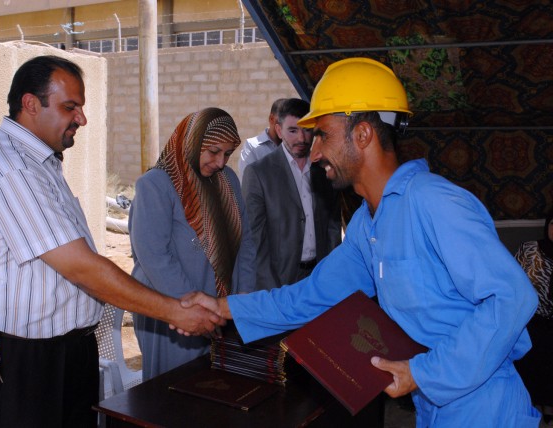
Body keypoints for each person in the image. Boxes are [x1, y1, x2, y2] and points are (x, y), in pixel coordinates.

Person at [180, 57, 541, 427]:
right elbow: (310, 297)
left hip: (485, 405)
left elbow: (512, 296)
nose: (314, 150)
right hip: (435, 406)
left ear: (363, 134)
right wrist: (223, 308)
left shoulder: (433, 202)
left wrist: (426, 372)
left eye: (323, 134)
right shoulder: (367, 224)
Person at [0, 55, 223, 428]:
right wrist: (175, 311)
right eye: (70, 107)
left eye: (80, 107)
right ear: (31, 104)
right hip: (25, 361)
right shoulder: (11, 170)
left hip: (71, 350)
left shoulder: (41, 162)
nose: (81, 119)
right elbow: (82, 266)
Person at [128, 107, 257, 380]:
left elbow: (245, 244)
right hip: (171, 311)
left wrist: (240, 302)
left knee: (215, 390)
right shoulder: (156, 185)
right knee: (172, 389)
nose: (221, 162)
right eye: (213, 151)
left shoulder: (228, 182)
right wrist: (197, 311)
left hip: (222, 309)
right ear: (191, 142)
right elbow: (155, 258)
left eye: (227, 154)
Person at [242, 98, 341, 290]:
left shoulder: (326, 171)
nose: (302, 139)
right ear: (279, 130)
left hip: (319, 277)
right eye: (293, 131)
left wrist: (330, 275)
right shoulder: (258, 173)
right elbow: (255, 240)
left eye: (307, 130)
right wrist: (271, 290)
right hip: (278, 282)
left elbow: (333, 228)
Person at [515, 212, 553, 423]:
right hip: (532, 321)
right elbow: (513, 281)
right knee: (531, 366)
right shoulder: (529, 249)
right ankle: (533, 407)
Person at [237, 98, 285, 182]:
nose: (284, 126)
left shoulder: (294, 147)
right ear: (271, 119)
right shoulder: (252, 146)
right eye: (281, 121)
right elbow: (249, 183)